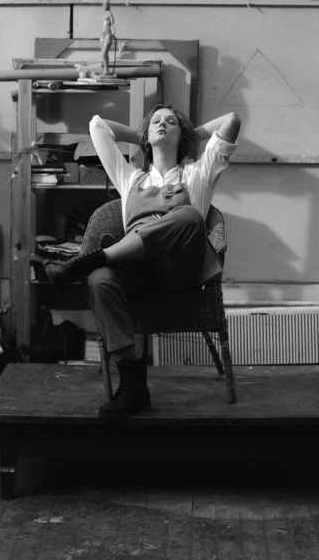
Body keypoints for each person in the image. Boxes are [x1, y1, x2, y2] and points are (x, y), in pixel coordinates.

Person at [42, 104, 241, 420]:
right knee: (99, 281)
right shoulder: (130, 177)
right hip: (134, 270)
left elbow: (231, 121)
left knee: (190, 217)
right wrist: (142, 134)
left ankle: (96, 258)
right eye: (157, 122)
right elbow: (98, 125)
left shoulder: (199, 174)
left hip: (179, 271)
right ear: (146, 139)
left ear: (183, 135)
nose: (163, 124)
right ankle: (133, 385)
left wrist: (189, 133)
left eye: (171, 122)